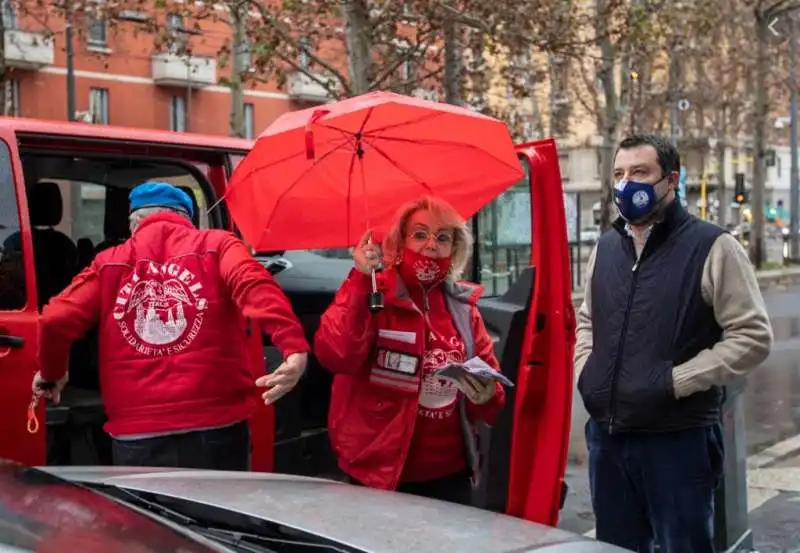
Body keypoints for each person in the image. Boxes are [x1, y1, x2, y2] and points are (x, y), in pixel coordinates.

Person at [574, 133, 773, 553]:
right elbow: (588, 320)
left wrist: (675, 381)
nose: (628, 184)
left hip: (677, 441)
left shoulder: (714, 246)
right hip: (608, 439)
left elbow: (752, 336)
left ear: (671, 180)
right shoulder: (606, 248)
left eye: (640, 172)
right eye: (619, 174)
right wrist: (586, 373)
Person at [32, 181, 309, 470]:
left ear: (134, 223)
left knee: (146, 516)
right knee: (216, 514)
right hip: (216, 424)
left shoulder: (108, 262)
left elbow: (56, 319)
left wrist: (53, 373)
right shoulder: (219, 245)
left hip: (138, 432)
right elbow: (254, 284)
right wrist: (293, 347)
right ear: (186, 218)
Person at [314, 196, 505, 505]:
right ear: (399, 242)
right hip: (379, 478)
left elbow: (492, 399)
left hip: (450, 477)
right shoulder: (374, 294)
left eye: (443, 237)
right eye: (419, 234)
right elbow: (336, 355)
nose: (431, 244)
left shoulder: (464, 311)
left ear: (454, 249)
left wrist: (487, 397)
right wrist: (362, 279)